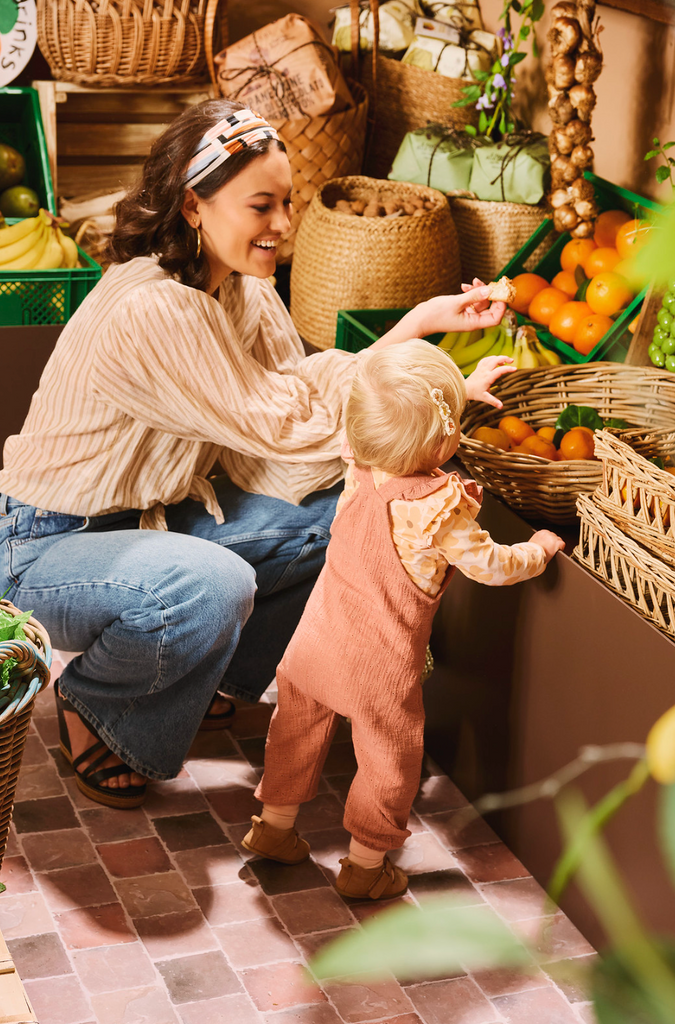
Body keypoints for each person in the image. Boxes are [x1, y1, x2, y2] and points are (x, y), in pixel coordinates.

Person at [0, 98, 508, 810]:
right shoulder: (155, 309)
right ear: (193, 205)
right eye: (260, 205)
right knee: (207, 586)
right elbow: (287, 425)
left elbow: (296, 394)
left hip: (150, 520)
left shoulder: (241, 285)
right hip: (45, 545)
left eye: (287, 204)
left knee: (343, 514)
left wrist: (421, 326)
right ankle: (98, 706)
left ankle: (205, 676)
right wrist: (429, 367)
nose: (281, 224)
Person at [241, 339, 565, 900]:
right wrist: (536, 549)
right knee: (389, 760)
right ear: (446, 439)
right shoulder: (437, 508)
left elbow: (394, 421)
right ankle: (366, 866)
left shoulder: (358, 465)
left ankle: (273, 828)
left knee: (293, 734)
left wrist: (447, 396)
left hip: (312, 643)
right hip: (379, 665)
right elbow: (490, 565)